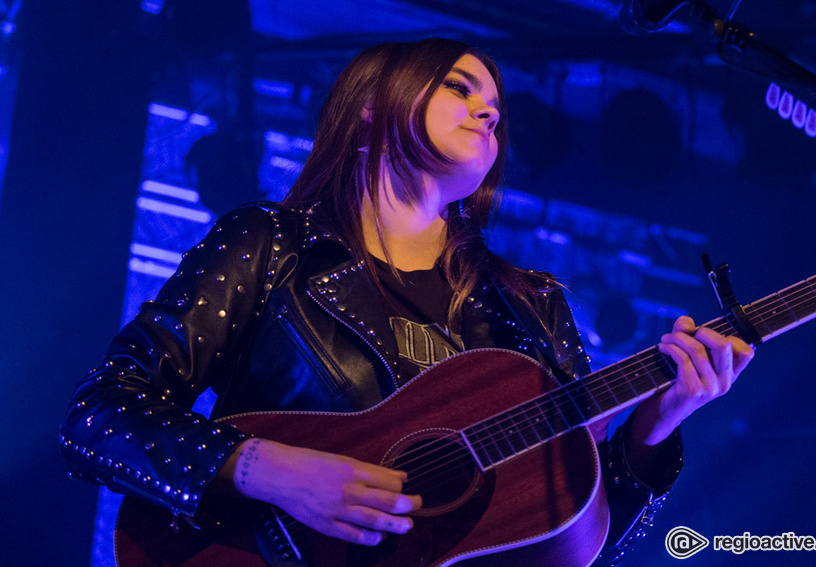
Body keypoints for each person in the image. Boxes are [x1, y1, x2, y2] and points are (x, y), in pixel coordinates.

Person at [60, 38, 754, 566]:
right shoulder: (272, 245)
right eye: (460, 86)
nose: (489, 110)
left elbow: (577, 546)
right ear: (371, 105)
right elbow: (98, 415)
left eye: (498, 109)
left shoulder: (532, 307)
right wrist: (267, 469)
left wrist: (656, 424)